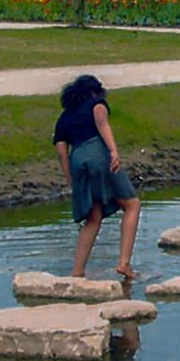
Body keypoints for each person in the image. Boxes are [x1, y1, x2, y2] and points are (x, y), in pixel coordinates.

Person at [53, 74, 141, 279]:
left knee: (93, 218)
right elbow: (102, 124)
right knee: (132, 204)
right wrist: (113, 152)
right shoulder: (97, 103)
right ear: (94, 91)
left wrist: (71, 179)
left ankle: (77, 271)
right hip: (97, 153)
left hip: (77, 159)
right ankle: (124, 263)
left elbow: (61, 152)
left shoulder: (64, 118)